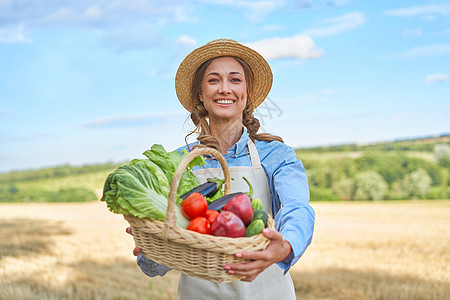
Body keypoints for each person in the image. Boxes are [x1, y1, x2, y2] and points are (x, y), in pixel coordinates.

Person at [126, 38, 315, 299]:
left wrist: (285, 246)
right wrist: (154, 244)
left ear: (247, 94)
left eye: (235, 80)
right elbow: (158, 261)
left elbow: (297, 208)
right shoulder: (178, 163)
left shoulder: (275, 155)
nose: (224, 88)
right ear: (200, 95)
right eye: (214, 80)